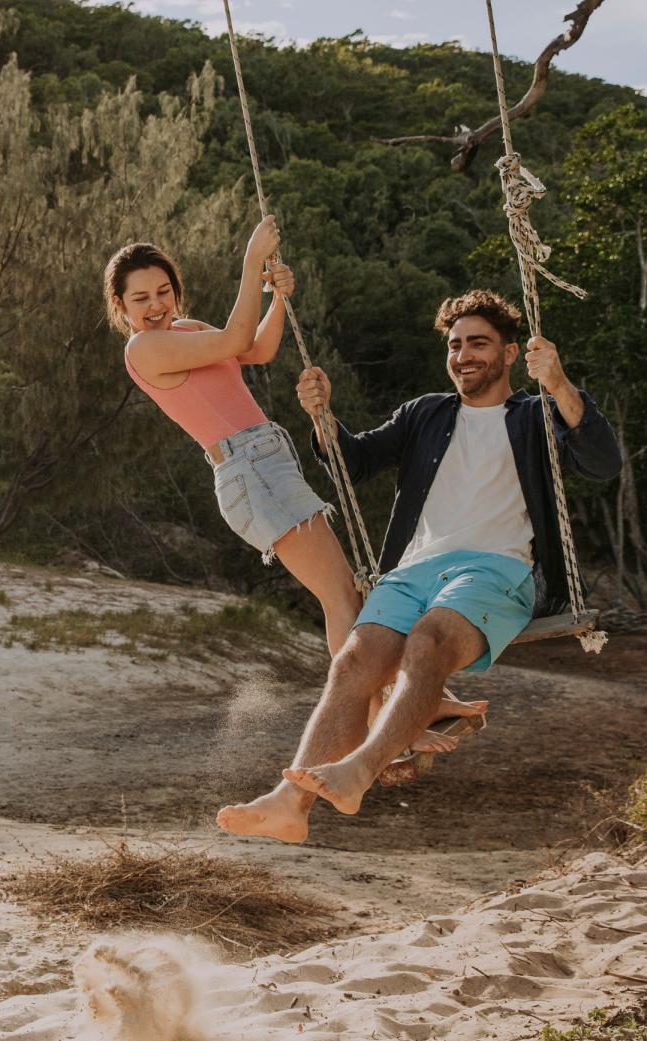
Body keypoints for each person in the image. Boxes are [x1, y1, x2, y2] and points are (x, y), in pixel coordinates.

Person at [216, 289, 621, 843]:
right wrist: (323, 417)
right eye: (455, 345)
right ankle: (291, 804)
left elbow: (602, 462)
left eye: (478, 344)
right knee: (353, 663)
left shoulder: (539, 414)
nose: (463, 355)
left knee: (428, 641)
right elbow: (352, 464)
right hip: (413, 571)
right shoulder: (425, 413)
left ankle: (360, 771)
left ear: (509, 353)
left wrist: (558, 383)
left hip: (496, 569)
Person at [103, 216, 360, 656]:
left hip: (264, 461)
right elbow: (236, 337)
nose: (156, 305)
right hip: (250, 468)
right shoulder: (142, 348)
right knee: (342, 598)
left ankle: (378, 698)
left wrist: (278, 299)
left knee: (347, 595)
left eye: (164, 291)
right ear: (120, 305)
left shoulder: (187, 330)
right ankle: (362, 700)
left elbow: (256, 349)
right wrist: (251, 260)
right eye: (141, 298)